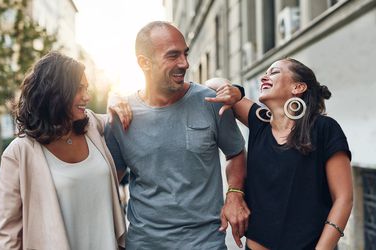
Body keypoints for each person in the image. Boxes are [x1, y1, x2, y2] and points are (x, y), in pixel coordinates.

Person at [105, 21, 249, 249]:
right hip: (144, 243)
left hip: (205, 242)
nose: (185, 63)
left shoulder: (211, 102)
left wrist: (235, 193)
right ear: (144, 62)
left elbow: (236, 153)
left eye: (185, 54)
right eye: (173, 56)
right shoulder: (121, 116)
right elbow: (108, 180)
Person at [205, 58, 353, 250]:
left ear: (298, 87)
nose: (264, 77)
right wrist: (236, 91)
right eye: (265, 73)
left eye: (273, 72)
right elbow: (211, 83)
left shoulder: (325, 128)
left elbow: (343, 198)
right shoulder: (259, 123)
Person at [0, 51, 126, 250]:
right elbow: (5, 234)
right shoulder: (20, 153)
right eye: (79, 89)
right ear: (54, 92)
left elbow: (120, 115)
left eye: (87, 88)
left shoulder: (92, 127)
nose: (87, 96)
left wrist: (114, 98)